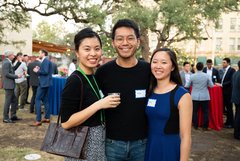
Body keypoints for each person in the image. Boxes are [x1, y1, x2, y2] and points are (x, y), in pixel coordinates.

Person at [60, 28, 120, 161]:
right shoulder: (75, 80)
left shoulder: (94, 76)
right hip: (82, 146)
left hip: (98, 144)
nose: (93, 53)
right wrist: (99, 104)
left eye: (97, 48)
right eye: (87, 49)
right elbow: (65, 123)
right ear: (77, 52)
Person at [95, 19, 150, 161]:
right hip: (111, 143)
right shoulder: (102, 72)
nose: (125, 43)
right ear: (113, 42)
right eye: (120, 39)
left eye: (130, 38)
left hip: (142, 144)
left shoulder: (148, 71)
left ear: (138, 41)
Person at [144, 48, 192, 161]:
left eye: (164, 62)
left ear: (173, 67)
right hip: (149, 148)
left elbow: (186, 137)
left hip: (169, 150)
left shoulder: (182, 95)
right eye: (155, 62)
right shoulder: (149, 90)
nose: (158, 66)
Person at [185, 62, 214, 130]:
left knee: (194, 111)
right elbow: (211, 86)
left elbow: (187, 86)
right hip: (205, 96)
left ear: (196, 67)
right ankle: (205, 127)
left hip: (194, 96)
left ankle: (195, 125)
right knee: (205, 112)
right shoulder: (206, 76)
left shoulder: (192, 76)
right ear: (202, 67)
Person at [30, 49, 53, 126]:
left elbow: (45, 72)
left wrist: (37, 71)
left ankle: (38, 120)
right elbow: (45, 71)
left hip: (44, 83)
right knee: (45, 99)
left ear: (43, 54)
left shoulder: (45, 61)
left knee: (37, 99)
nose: (38, 54)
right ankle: (47, 118)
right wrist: (39, 69)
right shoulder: (45, 61)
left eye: (39, 53)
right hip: (45, 83)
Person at [2, 50, 22, 123]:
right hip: (8, 85)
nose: (14, 56)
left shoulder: (8, 62)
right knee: (8, 102)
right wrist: (17, 76)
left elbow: (12, 70)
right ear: (9, 55)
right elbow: (6, 74)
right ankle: (6, 118)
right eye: (13, 55)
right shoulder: (6, 62)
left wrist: (19, 62)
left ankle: (13, 116)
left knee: (14, 100)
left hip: (10, 84)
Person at [216, 58, 236, 128]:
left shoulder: (232, 70)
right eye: (222, 62)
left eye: (224, 62)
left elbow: (231, 81)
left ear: (228, 63)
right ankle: (228, 122)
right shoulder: (225, 70)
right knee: (226, 108)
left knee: (229, 108)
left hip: (228, 92)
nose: (222, 64)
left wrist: (221, 85)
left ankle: (231, 123)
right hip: (224, 92)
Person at [231, 60, 240, 140]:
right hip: (238, 98)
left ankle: (236, 132)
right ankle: (237, 134)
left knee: (237, 114)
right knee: (238, 116)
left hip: (235, 97)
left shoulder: (235, 73)